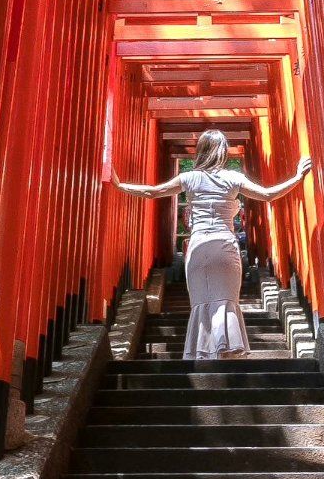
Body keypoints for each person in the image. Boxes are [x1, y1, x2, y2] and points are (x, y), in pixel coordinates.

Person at [105, 129, 312, 361]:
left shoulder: (189, 178)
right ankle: (228, 353)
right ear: (223, 151)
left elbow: (153, 192)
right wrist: (297, 177)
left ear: (201, 151)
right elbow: (267, 195)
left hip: (199, 247)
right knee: (227, 300)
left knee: (201, 302)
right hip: (225, 246)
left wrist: (121, 185)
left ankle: (202, 353)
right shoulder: (234, 178)